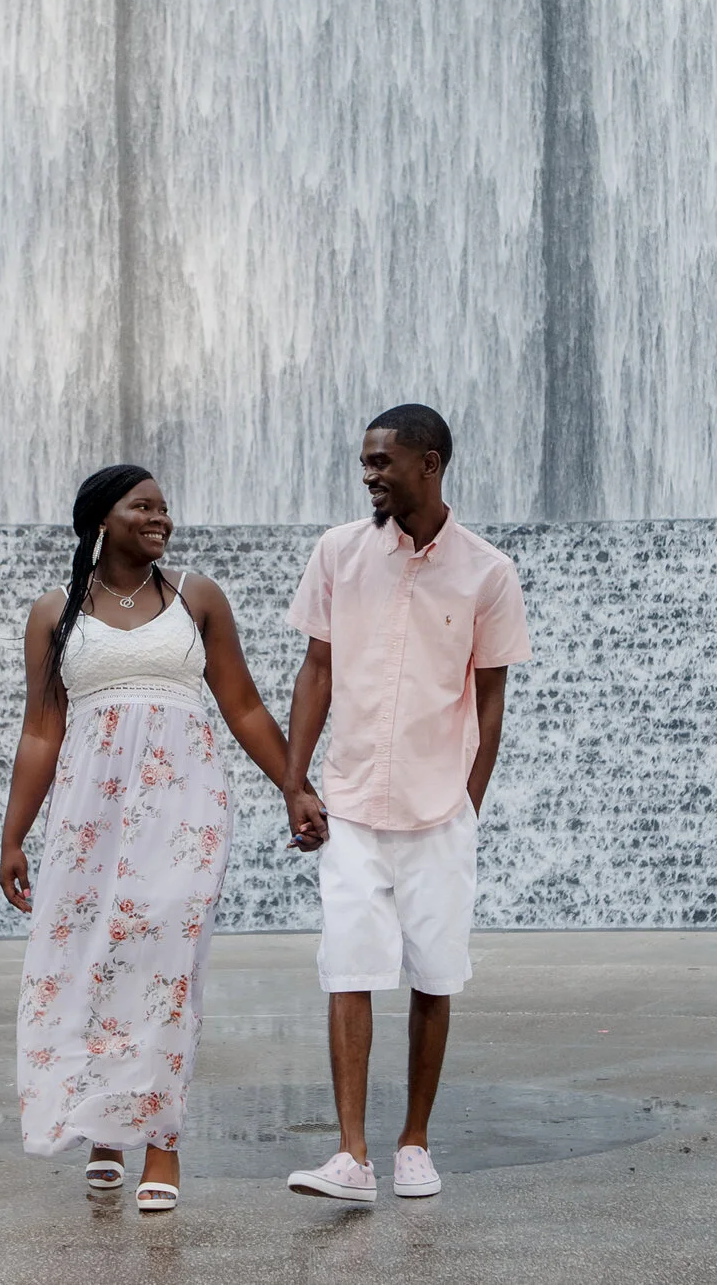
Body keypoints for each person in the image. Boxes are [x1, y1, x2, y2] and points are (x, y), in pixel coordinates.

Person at [0, 463, 304, 1214]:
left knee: (166, 961)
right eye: (143, 506)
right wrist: (14, 835)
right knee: (97, 962)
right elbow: (41, 732)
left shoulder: (195, 597)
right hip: (87, 817)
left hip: (184, 810)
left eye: (165, 507)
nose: (160, 517)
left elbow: (244, 705)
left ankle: (161, 1142)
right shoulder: (54, 612)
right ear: (102, 517)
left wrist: (295, 785)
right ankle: (106, 1132)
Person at [280, 405, 530, 1202]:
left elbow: (490, 699)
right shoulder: (338, 553)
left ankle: (413, 1141)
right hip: (351, 801)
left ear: (430, 462)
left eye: (382, 461)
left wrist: (470, 802)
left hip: (438, 810)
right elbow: (315, 669)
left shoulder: (488, 571)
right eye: (365, 462)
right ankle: (350, 1156)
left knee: (434, 976)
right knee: (348, 969)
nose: (369, 475)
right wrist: (297, 780)